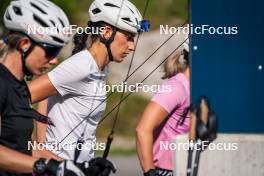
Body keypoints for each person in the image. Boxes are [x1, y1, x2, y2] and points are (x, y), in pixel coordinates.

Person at [0, 0, 116, 176]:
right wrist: (43, 167)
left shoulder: (19, 88)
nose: (54, 61)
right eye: (51, 51)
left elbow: (24, 149)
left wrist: (80, 168)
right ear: (24, 44)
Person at [29, 0, 148, 164]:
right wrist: (38, 150)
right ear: (106, 32)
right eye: (128, 37)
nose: (132, 46)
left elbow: (46, 95)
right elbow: (19, 98)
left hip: (79, 167)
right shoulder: (81, 66)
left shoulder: (99, 68)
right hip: (60, 169)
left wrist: (90, 165)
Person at [136, 38, 190, 176]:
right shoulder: (176, 87)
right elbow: (143, 130)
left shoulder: (196, 88)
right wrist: (149, 172)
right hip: (167, 171)